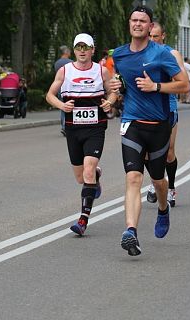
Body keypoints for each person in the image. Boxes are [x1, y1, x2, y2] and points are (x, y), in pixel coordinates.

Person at [113, 6, 189, 256]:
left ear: (149, 26)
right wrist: (118, 86)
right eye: (133, 20)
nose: (137, 24)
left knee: (158, 180)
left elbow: (184, 85)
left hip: (158, 125)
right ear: (129, 23)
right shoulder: (120, 55)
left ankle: (163, 208)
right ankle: (131, 232)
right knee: (133, 178)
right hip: (132, 123)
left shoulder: (161, 54)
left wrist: (156, 86)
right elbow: (124, 84)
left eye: (142, 21)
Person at [46, 33, 119, 236]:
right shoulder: (64, 71)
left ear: (92, 50)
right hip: (73, 128)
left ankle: (83, 220)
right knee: (81, 177)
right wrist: (62, 105)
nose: (82, 51)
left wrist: (110, 101)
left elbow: (113, 91)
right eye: (78, 47)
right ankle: (95, 176)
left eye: (86, 47)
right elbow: (49, 95)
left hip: (95, 128)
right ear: (74, 50)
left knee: (87, 170)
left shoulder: (102, 71)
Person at [146, 21, 188, 207]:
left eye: (156, 36)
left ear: (163, 36)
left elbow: (182, 81)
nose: (153, 40)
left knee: (168, 152)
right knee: (148, 153)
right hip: (146, 107)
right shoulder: (142, 53)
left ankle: (170, 188)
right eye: (150, 36)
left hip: (167, 106)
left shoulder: (172, 54)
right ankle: (157, 182)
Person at [54, 46, 73, 135]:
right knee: (70, 107)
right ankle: (68, 126)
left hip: (59, 87)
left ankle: (63, 125)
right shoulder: (71, 63)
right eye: (69, 51)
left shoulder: (57, 63)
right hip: (69, 88)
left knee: (62, 107)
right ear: (66, 52)